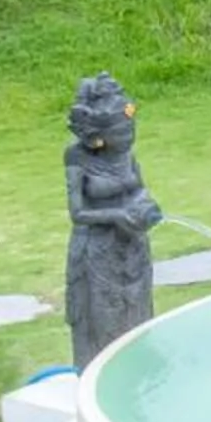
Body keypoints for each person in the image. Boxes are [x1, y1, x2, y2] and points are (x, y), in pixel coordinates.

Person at [64, 73, 164, 367]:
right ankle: (99, 379)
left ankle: (141, 372)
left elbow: (140, 187)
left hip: (132, 244)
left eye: (130, 131)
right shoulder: (76, 157)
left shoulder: (127, 154)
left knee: (138, 309)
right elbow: (77, 213)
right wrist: (117, 215)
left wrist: (145, 206)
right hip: (98, 250)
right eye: (120, 133)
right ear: (98, 135)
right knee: (105, 318)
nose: (127, 139)